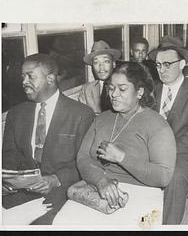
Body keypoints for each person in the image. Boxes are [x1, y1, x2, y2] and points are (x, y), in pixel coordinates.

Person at [58, 62, 176, 224]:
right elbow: (83, 157)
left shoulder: (158, 126)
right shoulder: (102, 119)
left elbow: (163, 177)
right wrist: (101, 181)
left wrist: (122, 157)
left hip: (141, 193)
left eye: (122, 89)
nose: (113, 94)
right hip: (97, 186)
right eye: (111, 88)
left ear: (139, 92)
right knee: (63, 223)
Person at [2, 53, 95, 224]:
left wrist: (56, 179)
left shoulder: (81, 114)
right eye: (23, 76)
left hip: (63, 193)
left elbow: (87, 162)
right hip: (20, 195)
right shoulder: (15, 114)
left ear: (50, 78)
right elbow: (8, 158)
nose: (24, 82)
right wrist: (6, 183)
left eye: (30, 76)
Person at [149, 35, 188, 224]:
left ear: (182, 63)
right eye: (158, 65)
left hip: (185, 152)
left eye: (167, 64)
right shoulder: (153, 89)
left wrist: (164, 153)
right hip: (150, 148)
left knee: (175, 177)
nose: (161, 70)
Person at [78, 40, 121, 114]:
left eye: (106, 61)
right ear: (92, 66)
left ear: (113, 64)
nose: (101, 67)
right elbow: (82, 116)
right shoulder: (87, 89)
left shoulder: (124, 86)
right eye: (96, 62)